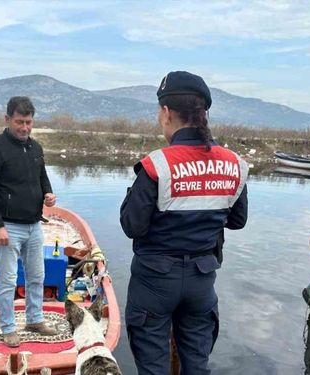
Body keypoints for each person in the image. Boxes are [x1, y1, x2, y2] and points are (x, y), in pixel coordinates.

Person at [120, 71, 249, 375]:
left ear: (166, 112)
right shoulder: (234, 164)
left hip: (153, 282)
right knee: (197, 366)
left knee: (154, 368)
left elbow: (132, 227)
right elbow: (238, 220)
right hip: (202, 281)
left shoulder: (157, 165)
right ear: (204, 114)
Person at [0, 96, 58, 347]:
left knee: (37, 276)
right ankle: (8, 327)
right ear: (7, 119)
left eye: (29, 122)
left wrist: (48, 193)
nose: (25, 127)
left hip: (34, 225)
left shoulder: (35, 148)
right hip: (8, 227)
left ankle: (34, 319)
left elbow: (41, 176)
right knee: (8, 280)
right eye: (20, 122)